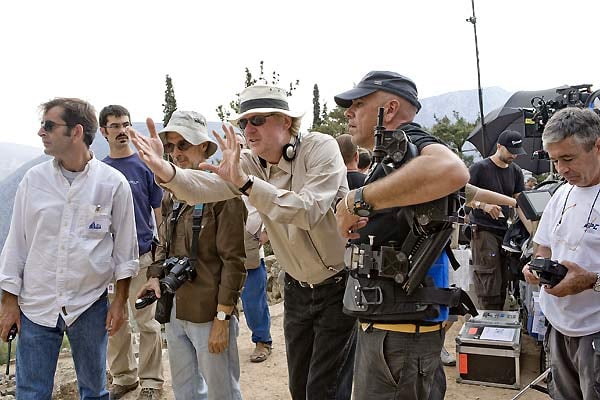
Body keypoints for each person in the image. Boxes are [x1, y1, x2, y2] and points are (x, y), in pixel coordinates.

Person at [131, 85, 357, 400]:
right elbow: (202, 189)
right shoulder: (248, 163)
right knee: (300, 387)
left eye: (258, 120)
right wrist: (166, 170)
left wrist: (245, 183)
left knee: (324, 389)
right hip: (296, 289)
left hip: (336, 285)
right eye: (244, 122)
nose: (249, 129)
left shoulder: (320, 147)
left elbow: (308, 211)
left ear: (286, 122)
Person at [334, 71, 470, 400]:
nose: (348, 112)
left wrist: (356, 200)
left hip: (400, 338)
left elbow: (454, 171)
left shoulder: (412, 141)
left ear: (390, 109)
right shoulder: (397, 160)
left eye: (359, 103)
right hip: (388, 327)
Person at [0, 98, 138, 399]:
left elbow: (126, 252)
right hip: (37, 306)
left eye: (48, 125)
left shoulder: (113, 184)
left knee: (95, 392)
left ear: (76, 132)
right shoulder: (33, 182)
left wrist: (119, 302)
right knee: (32, 394)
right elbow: (16, 245)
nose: (40, 132)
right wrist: (9, 302)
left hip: (89, 304)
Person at [137, 110, 247, 400]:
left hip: (209, 312)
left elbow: (234, 261)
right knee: (185, 391)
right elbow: (165, 242)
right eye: (171, 146)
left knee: (221, 391)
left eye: (182, 145)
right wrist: (154, 278)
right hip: (175, 308)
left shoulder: (224, 193)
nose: (175, 153)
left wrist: (223, 318)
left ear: (202, 146)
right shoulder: (172, 192)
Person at [522, 107, 600, 400]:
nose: (561, 170)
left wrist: (592, 281)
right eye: (554, 161)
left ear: (597, 145)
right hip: (558, 330)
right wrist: (536, 266)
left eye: (568, 158)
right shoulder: (562, 193)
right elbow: (543, 245)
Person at [99, 105, 164, 400]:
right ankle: (124, 377)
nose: (122, 130)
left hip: (142, 256)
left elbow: (158, 212)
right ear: (103, 131)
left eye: (125, 124)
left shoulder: (144, 167)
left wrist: (161, 252)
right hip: (109, 262)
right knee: (116, 322)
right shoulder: (99, 171)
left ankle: (151, 381)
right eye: (115, 126)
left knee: (146, 321)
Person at [468, 130, 526, 310]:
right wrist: (483, 206)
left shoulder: (516, 172)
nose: (514, 155)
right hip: (483, 228)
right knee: (489, 277)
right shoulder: (480, 168)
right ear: (499, 147)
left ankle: (499, 320)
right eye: (510, 151)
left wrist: (531, 230)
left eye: (516, 151)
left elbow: (519, 202)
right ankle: (487, 318)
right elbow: (464, 197)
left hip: (505, 231)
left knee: (504, 277)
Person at [235, 131, 274, 363]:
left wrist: (267, 233)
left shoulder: (258, 174)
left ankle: (262, 340)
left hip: (251, 244)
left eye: (241, 145)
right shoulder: (224, 175)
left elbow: (273, 203)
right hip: (229, 244)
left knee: (252, 299)